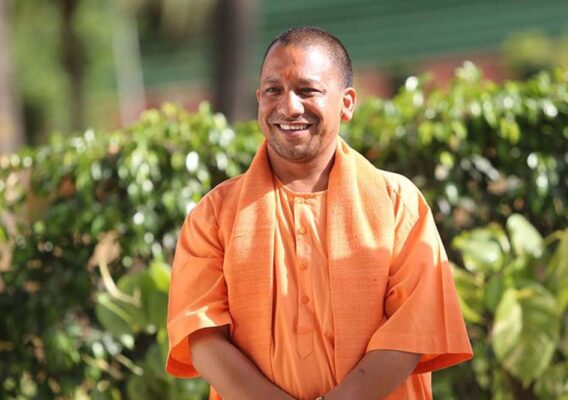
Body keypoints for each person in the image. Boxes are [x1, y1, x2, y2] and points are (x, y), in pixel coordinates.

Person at [166, 26, 473, 400]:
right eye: (273, 90)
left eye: (307, 90)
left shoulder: (397, 203)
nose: (289, 107)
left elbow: (414, 328)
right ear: (259, 99)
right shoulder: (213, 215)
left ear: (347, 103)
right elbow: (202, 338)